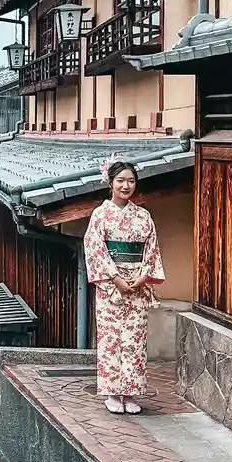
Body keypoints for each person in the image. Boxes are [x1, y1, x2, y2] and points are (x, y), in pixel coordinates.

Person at [83, 161, 164, 415]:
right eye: (120, 180)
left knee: (135, 340)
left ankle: (130, 393)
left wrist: (143, 276)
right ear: (110, 183)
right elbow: (94, 248)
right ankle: (111, 392)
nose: (126, 185)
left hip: (137, 285)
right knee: (111, 338)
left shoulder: (143, 216)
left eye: (130, 181)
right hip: (111, 287)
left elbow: (151, 248)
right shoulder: (100, 215)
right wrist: (115, 277)